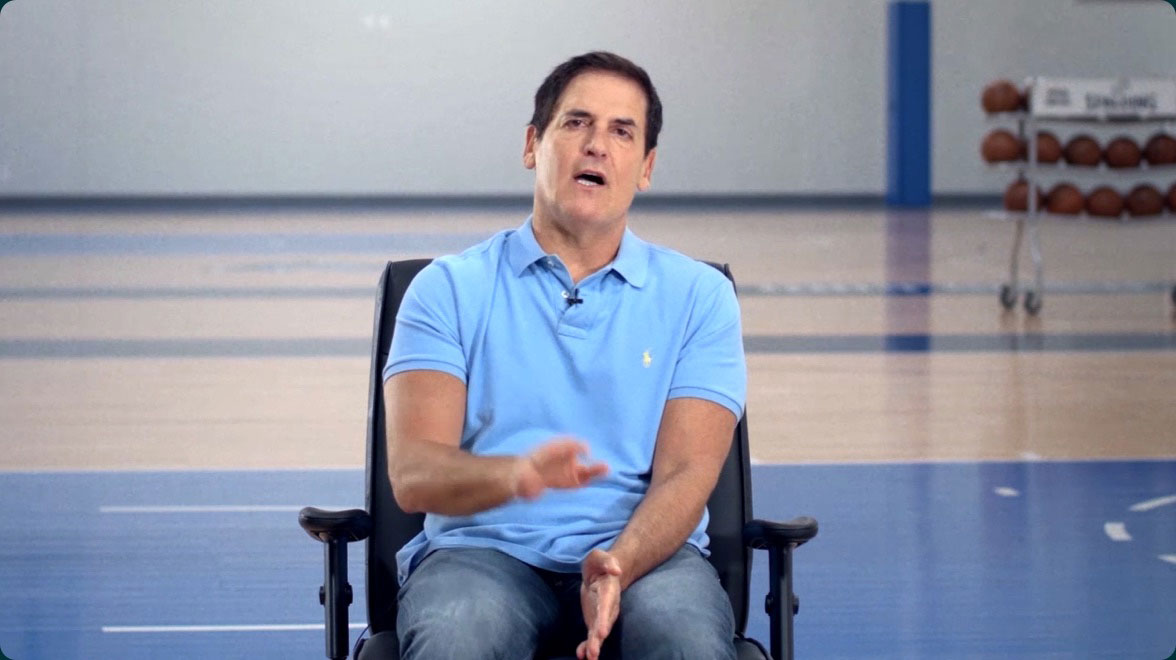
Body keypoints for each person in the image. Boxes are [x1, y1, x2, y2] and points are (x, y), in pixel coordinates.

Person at [382, 51, 746, 660]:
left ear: (646, 167)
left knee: (686, 642)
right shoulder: (447, 289)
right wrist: (515, 476)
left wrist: (619, 564)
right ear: (533, 145)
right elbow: (415, 475)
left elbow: (688, 473)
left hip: (645, 555)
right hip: (480, 554)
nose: (597, 145)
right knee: (456, 635)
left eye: (621, 131)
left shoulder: (700, 297)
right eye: (577, 123)